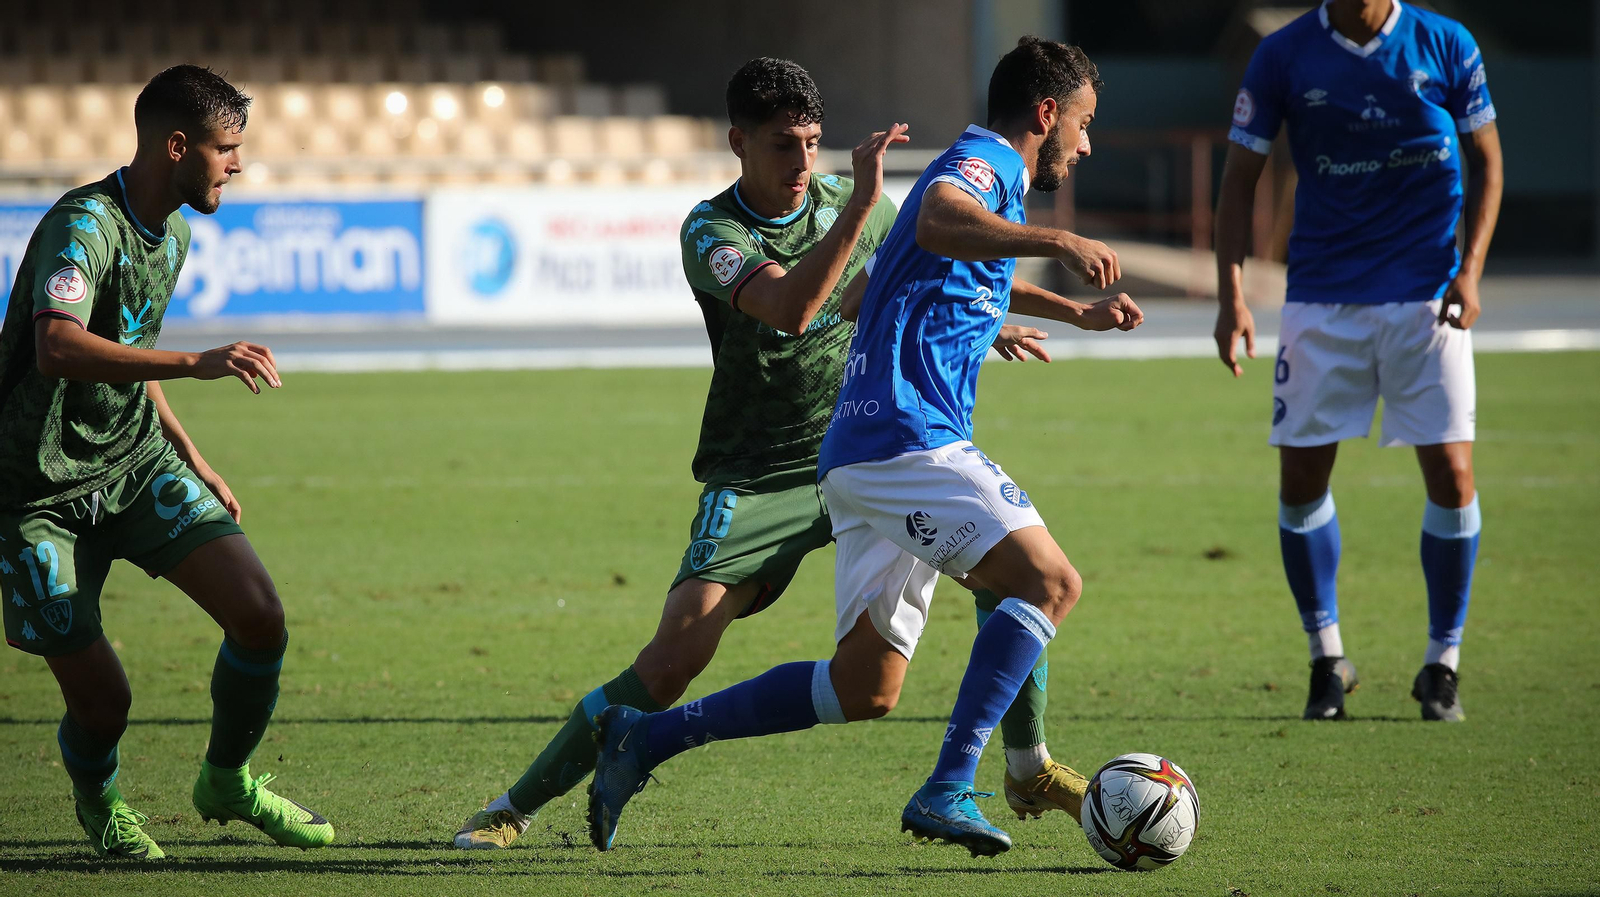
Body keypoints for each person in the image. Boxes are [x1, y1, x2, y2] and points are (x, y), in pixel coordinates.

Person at [455, 56, 1075, 850]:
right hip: (762, 472)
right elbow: (792, 308)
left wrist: (1014, 314)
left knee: (997, 577)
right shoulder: (711, 231)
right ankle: (513, 807)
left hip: (867, 445)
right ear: (738, 142)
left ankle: (1027, 761)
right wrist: (857, 208)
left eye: (813, 142)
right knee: (672, 659)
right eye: (784, 145)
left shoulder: (847, 202)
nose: (802, 163)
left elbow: (923, 266)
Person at [587, 38, 1143, 857]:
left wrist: (1068, 315)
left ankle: (647, 738)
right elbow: (940, 218)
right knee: (1049, 580)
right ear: (1047, 113)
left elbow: (878, 287)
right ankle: (963, 781)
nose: (1087, 145)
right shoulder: (987, 162)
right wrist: (1060, 246)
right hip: (904, 437)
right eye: (1085, 124)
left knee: (865, 686)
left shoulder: (990, 185)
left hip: (862, 447)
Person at [0, 65, 334, 859]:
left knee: (260, 614)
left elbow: (133, 356)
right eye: (227, 149)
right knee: (105, 701)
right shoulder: (83, 226)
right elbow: (57, 347)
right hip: (34, 490)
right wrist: (198, 363)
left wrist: (193, 455)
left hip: (134, 464)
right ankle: (102, 800)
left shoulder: (174, 232)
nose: (238, 165)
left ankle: (227, 779)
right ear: (177, 147)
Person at [1213, 0, 1502, 722]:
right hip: (1322, 297)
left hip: (1427, 298)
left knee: (1453, 475)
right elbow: (1238, 180)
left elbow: (1489, 163)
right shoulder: (1283, 54)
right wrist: (1232, 296)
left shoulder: (1447, 43)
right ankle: (1325, 657)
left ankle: (1443, 662)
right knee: (1302, 475)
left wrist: (1471, 271)